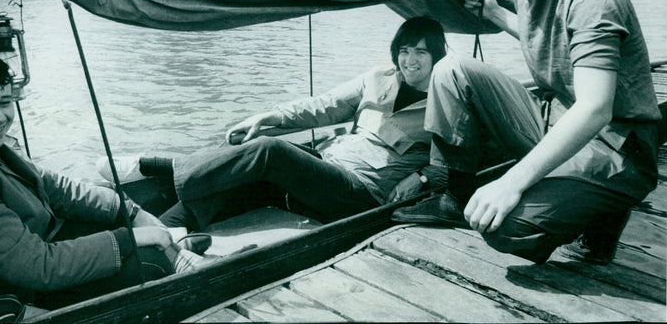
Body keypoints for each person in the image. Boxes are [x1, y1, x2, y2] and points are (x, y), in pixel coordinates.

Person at [394, 0, 660, 265]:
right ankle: (453, 194)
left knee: (504, 227)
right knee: (452, 69)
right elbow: (548, 37)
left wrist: (509, 182)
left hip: (617, 147)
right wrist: (496, 14)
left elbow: (595, 108)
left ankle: (601, 211)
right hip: (556, 122)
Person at [0, 47, 205, 323]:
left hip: (17, 271)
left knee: (131, 234)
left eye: (5, 102)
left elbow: (57, 188)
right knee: (148, 263)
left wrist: (128, 210)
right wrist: (131, 238)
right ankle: (171, 248)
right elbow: (40, 266)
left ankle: (170, 241)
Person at [99, 16, 449, 232]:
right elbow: (321, 107)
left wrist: (418, 177)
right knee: (244, 165)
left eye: (421, 52)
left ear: (436, 57)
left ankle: (166, 166)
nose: (410, 60)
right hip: (325, 165)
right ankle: (165, 229)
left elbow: (459, 162)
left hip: (363, 192)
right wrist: (267, 118)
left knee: (269, 151)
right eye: (404, 50)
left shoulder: (445, 101)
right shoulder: (377, 78)